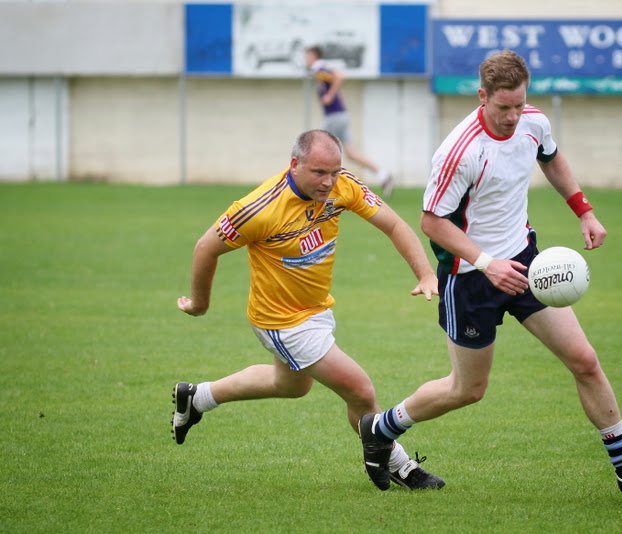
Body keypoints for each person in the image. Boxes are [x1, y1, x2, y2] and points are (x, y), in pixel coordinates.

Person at [357, 50, 622, 502]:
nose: (513, 116)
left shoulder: (533, 122)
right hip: (470, 278)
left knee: (584, 360)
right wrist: (486, 262)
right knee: (467, 390)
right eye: (503, 107)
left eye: (519, 104)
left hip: (526, 264)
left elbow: (551, 158)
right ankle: (381, 427)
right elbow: (433, 222)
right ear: (482, 96)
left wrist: (584, 211)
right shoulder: (459, 151)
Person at [171, 129, 444, 491]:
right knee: (360, 391)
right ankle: (400, 465)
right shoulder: (260, 208)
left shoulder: (342, 185)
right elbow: (206, 247)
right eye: (319, 173)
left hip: (315, 309)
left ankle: (196, 397)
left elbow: (392, 223)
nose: (329, 182)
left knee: (291, 385)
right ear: (294, 164)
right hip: (282, 321)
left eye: (334, 171)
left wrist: (425, 273)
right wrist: (200, 304)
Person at [304, 45, 393, 198]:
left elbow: (340, 76)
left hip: (334, 117)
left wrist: (330, 96)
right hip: (340, 115)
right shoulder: (319, 72)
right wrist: (338, 97)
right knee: (351, 153)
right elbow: (337, 84)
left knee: (316, 147)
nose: (305, 59)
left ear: (314, 55)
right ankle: (382, 175)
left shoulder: (320, 69)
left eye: (306, 56)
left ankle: (316, 185)